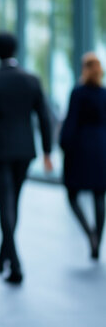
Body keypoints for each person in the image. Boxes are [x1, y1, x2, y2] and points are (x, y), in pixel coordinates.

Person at [0, 32, 53, 285]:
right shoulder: (31, 79)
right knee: (13, 201)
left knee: (4, 204)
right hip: (25, 150)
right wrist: (48, 151)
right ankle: (3, 254)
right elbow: (44, 117)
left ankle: (14, 262)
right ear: (16, 49)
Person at [60, 52, 106, 261]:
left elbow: (71, 123)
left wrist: (63, 145)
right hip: (101, 148)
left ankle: (90, 234)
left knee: (72, 195)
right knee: (99, 194)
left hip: (81, 149)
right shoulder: (104, 94)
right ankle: (98, 238)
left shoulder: (78, 93)